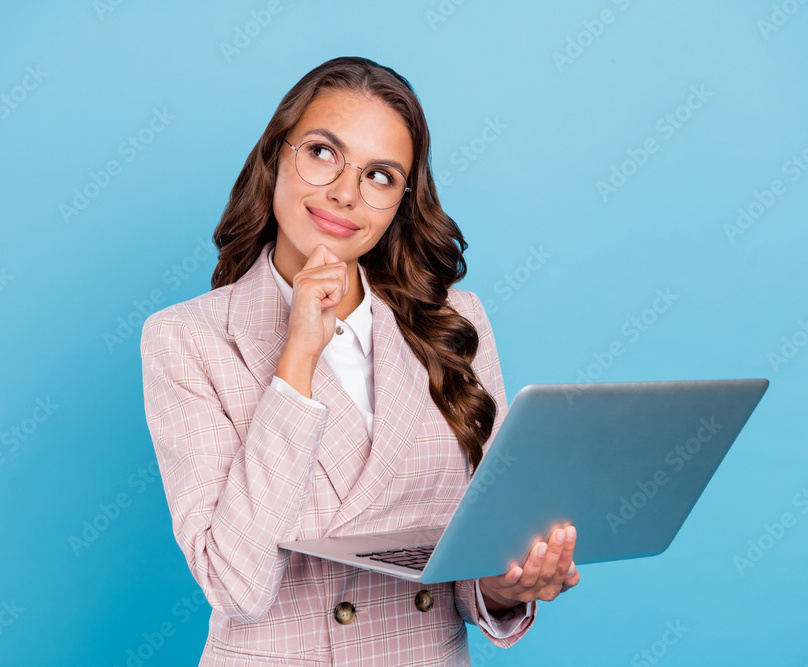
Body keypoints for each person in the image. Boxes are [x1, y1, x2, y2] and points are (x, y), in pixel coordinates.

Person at [140, 56, 579, 666]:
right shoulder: (187, 339)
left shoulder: (455, 320)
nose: (345, 192)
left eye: (379, 175)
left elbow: (471, 546)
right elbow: (237, 584)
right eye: (323, 152)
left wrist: (503, 588)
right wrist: (297, 358)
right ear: (276, 159)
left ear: (400, 201)